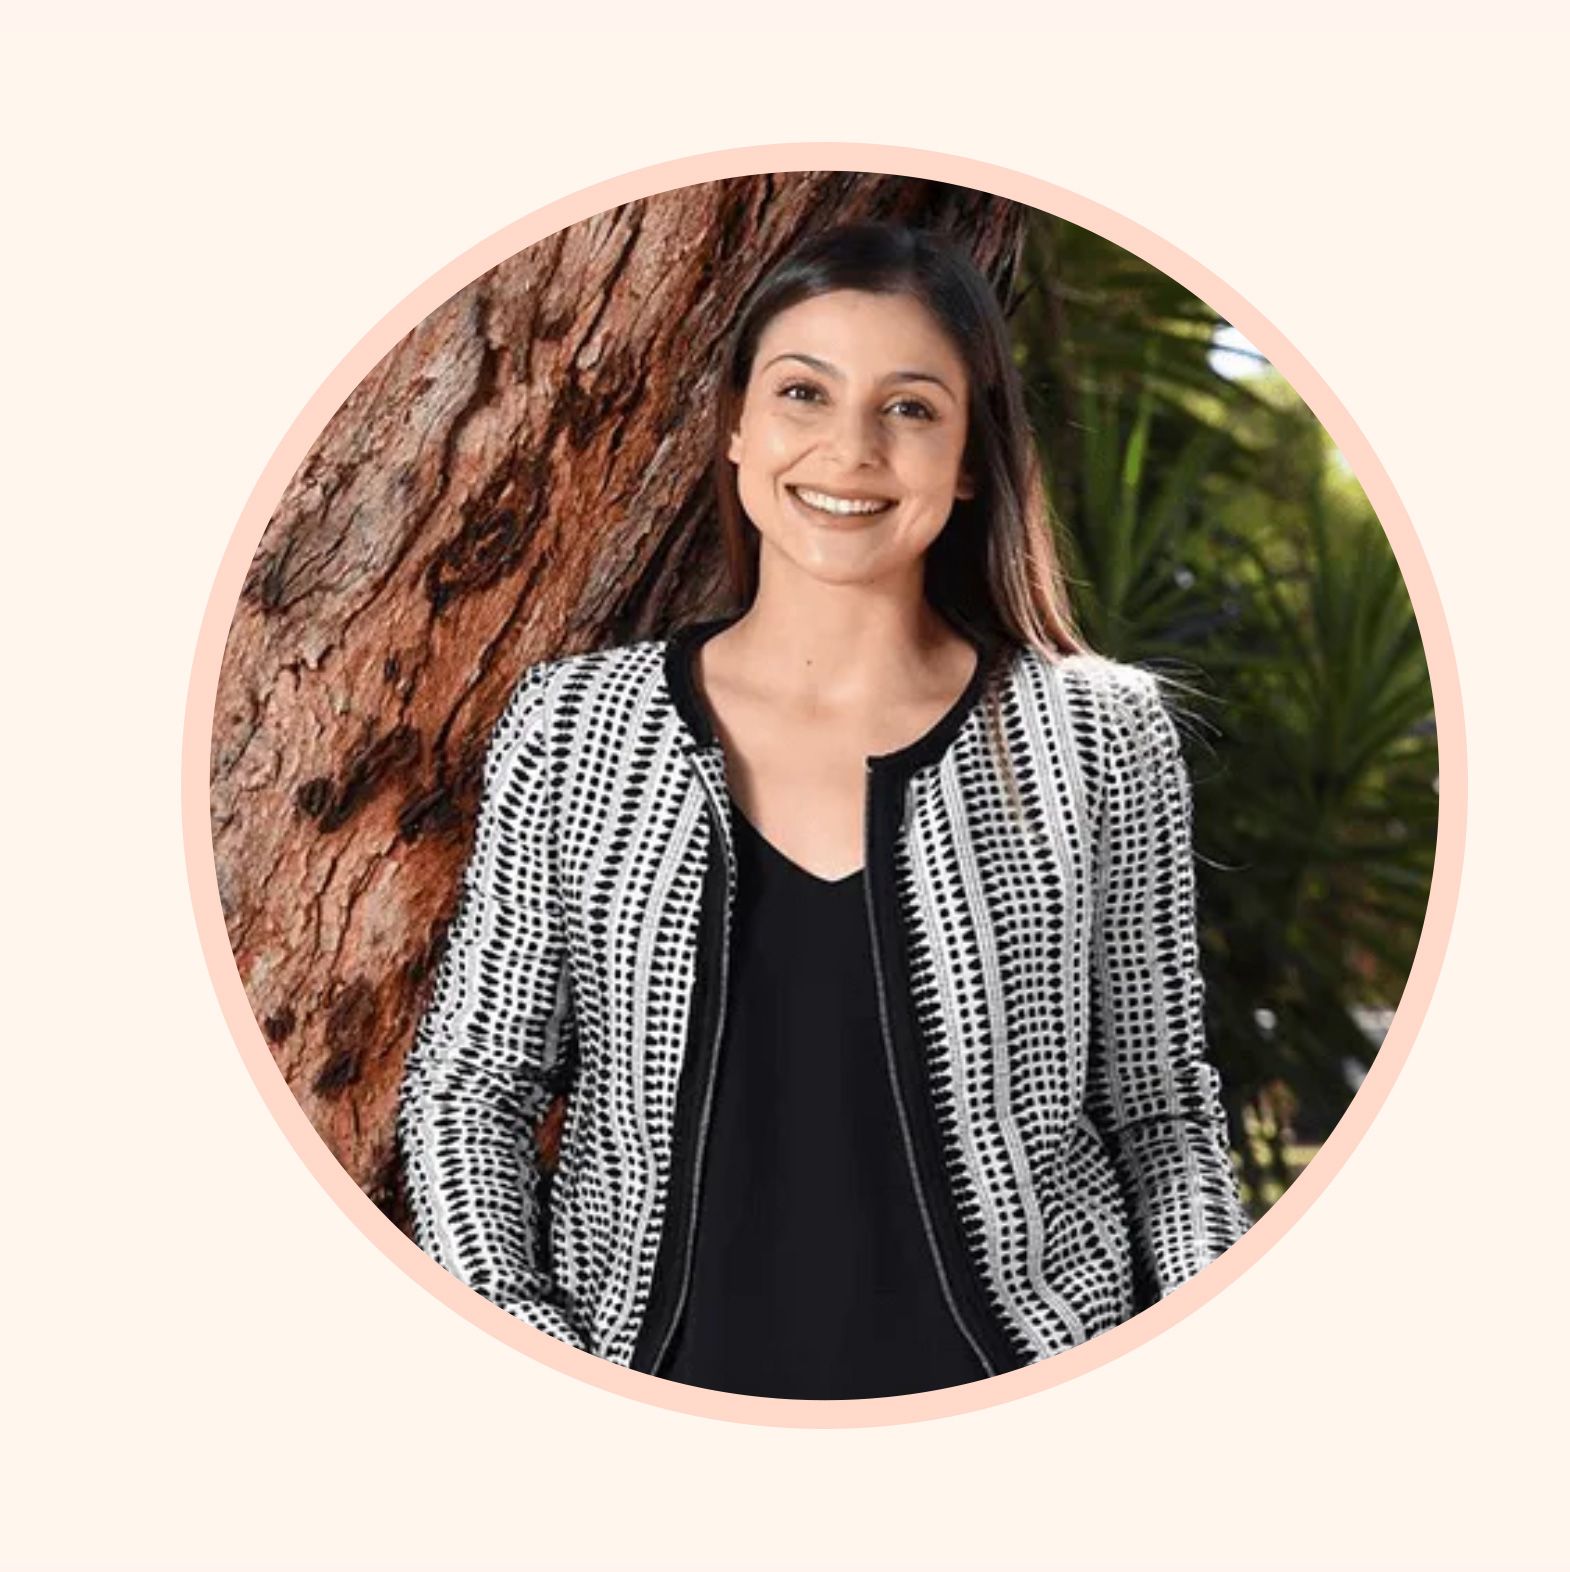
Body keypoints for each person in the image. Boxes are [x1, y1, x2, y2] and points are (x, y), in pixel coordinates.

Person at [395, 218, 1254, 1400]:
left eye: (910, 407)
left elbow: (1160, 1116)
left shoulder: (1097, 738)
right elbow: (471, 1092)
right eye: (804, 393)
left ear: (969, 458)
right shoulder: (576, 725)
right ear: (738, 427)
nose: (850, 450)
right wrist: (536, 1354)